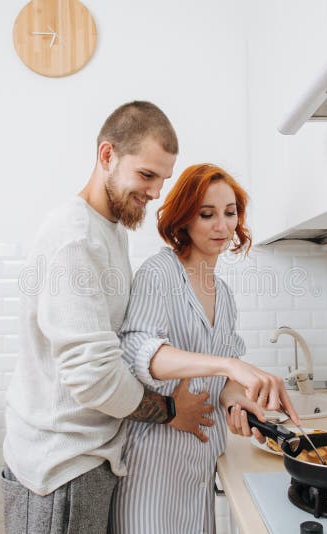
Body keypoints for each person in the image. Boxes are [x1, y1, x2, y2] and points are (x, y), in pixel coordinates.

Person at [2, 103, 291, 534]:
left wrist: (231, 394)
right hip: (60, 462)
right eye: (146, 175)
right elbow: (100, 372)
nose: (155, 191)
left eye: (162, 179)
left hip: (95, 454)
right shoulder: (75, 238)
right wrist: (174, 408)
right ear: (107, 156)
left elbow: (117, 353)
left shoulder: (110, 231)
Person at [109, 163, 298, 534]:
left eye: (230, 213)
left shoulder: (223, 296)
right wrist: (228, 365)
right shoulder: (159, 273)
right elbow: (138, 352)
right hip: (153, 466)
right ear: (183, 218)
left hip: (202, 459)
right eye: (207, 214)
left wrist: (233, 399)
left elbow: (220, 380)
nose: (222, 226)